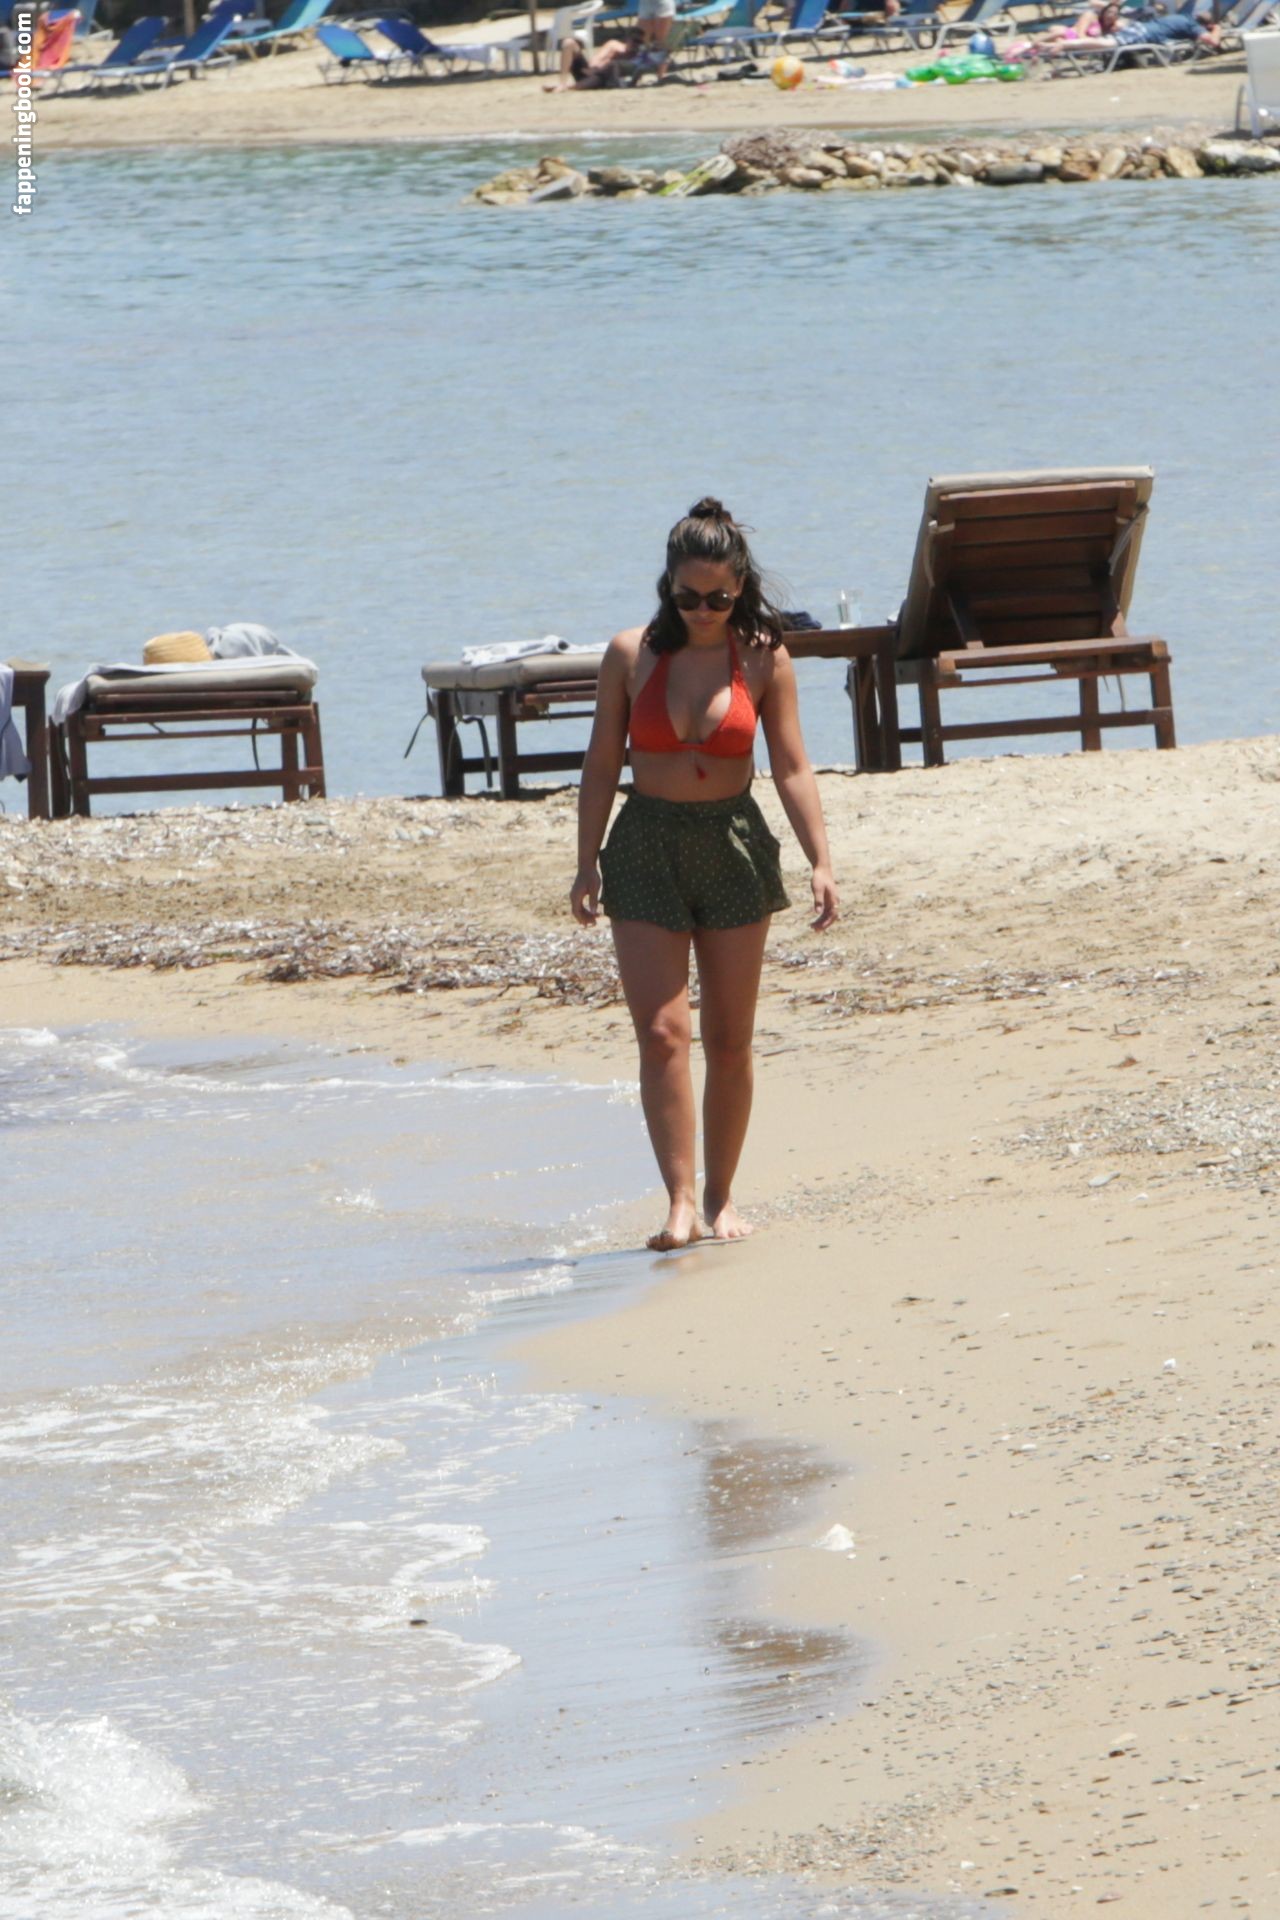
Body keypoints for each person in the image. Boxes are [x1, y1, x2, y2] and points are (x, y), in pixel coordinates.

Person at [570, 499, 839, 1252]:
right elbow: (601, 764)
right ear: (668, 586)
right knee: (662, 1034)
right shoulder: (630, 655)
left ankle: (721, 1196)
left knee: (728, 1039)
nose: (703, 611)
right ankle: (680, 1202)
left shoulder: (763, 656)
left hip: (732, 843)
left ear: (740, 586)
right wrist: (586, 861)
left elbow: (792, 765)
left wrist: (821, 860)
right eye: (688, 597)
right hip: (645, 844)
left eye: (718, 598)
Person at [542, 27, 643, 88]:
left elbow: (634, 75)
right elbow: (595, 61)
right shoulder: (614, 45)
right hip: (589, 70)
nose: (636, 44)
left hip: (600, 78)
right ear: (627, 39)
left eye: (639, 42)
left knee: (602, 74)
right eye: (634, 41)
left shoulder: (636, 57)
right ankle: (562, 83)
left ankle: (566, 87)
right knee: (568, 42)